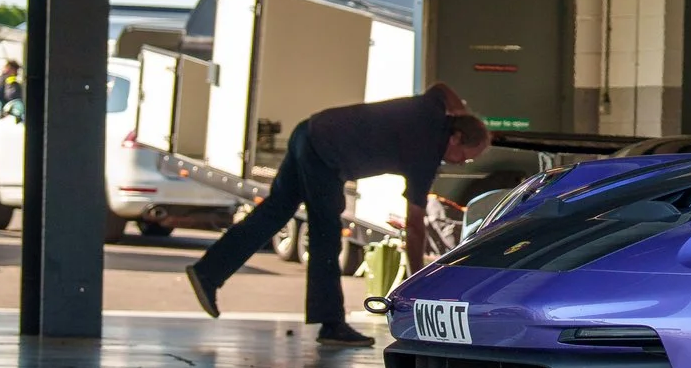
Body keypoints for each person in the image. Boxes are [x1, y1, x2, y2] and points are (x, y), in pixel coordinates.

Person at [185, 82, 491, 347]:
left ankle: (209, 272)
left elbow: (440, 87)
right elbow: (414, 226)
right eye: (465, 156)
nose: (462, 163)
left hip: (308, 131)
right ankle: (331, 324)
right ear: (456, 139)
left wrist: (461, 111)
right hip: (324, 154)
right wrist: (416, 280)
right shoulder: (426, 153)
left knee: (278, 210)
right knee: (326, 233)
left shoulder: (433, 109)